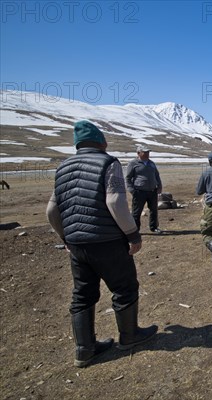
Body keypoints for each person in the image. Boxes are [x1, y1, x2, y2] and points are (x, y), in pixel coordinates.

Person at [46, 120, 158, 368]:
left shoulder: (62, 167)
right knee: (124, 287)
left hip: (76, 243)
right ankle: (129, 336)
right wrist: (132, 234)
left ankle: (84, 349)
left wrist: (65, 237)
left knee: (82, 294)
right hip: (106, 241)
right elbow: (115, 201)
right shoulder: (108, 163)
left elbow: (52, 209)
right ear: (102, 142)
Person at [126, 145, 163, 233]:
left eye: (148, 152)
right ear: (138, 153)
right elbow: (128, 178)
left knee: (154, 210)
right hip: (139, 191)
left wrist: (159, 186)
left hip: (152, 191)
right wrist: (132, 190)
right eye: (145, 152)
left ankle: (154, 227)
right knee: (136, 212)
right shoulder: (133, 163)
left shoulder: (151, 163)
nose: (147, 154)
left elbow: (157, 175)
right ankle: (135, 230)